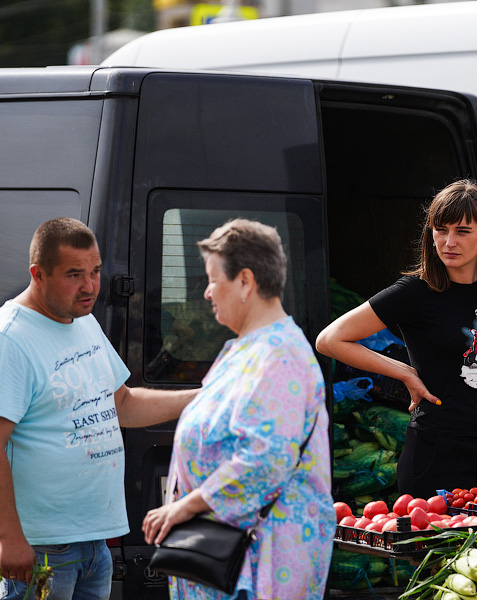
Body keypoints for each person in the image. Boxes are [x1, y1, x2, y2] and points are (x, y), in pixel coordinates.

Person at [0, 217, 198, 600]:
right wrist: (10, 539)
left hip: (94, 541)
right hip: (40, 546)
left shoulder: (82, 320)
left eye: (95, 271)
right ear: (38, 274)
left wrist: (203, 397)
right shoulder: (6, 340)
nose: (90, 286)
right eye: (74, 275)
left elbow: (123, 404)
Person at [141, 219, 334, 600]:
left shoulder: (280, 355)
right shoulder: (249, 347)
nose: (207, 292)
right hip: (233, 561)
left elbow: (266, 458)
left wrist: (185, 507)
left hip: (261, 564)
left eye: (213, 280)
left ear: (245, 281)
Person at [316, 179, 477, 500]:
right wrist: (404, 372)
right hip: (438, 453)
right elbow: (330, 339)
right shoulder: (414, 292)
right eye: (440, 230)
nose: (449, 242)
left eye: (462, 231)